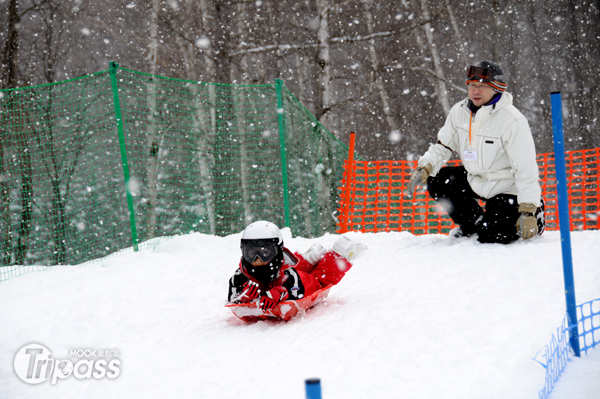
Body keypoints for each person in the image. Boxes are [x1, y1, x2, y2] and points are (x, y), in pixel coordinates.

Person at [406, 60, 545, 244]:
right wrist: (425, 166)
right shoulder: (460, 112)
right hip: (476, 179)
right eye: (472, 85)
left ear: (496, 88)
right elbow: (443, 145)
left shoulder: (513, 120)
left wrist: (528, 209)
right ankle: (472, 223)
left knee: (492, 236)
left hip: (507, 188)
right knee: (436, 178)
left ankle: (537, 213)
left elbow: (526, 169)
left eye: (482, 87)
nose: (475, 91)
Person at [227, 220, 356, 311]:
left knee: (319, 279)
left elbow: (302, 294)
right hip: (283, 270)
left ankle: (340, 253)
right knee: (295, 267)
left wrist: (282, 292)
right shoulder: (240, 276)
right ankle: (308, 259)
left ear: (277, 251)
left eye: (265, 253)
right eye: (251, 253)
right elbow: (232, 298)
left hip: (292, 276)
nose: (258, 260)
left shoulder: (290, 276)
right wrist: (243, 297)